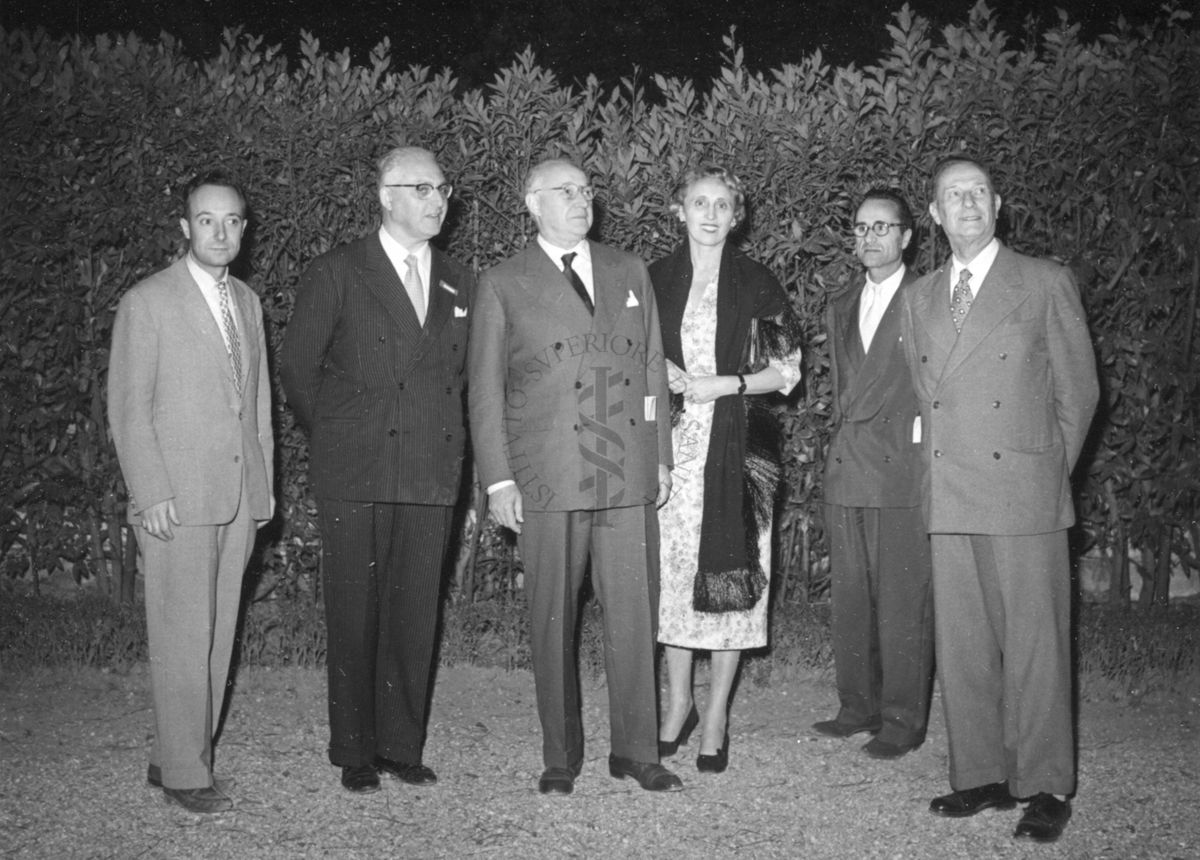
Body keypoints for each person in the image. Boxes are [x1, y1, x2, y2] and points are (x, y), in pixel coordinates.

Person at [900, 156, 1098, 843]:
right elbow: (921, 394)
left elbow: (1080, 394)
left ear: (998, 204)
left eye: (979, 193)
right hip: (951, 492)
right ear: (934, 215)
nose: (968, 205)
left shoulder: (1043, 282)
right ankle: (981, 773)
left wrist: (1043, 473)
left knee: (1037, 644)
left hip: (1023, 493)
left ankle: (1045, 784)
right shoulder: (920, 294)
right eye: (954, 196)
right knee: (965, 644)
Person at [468, 157, 681, 795]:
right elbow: (484, 390)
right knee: (551, 616)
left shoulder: (629, 270)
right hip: (548, 477)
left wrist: (661, 455)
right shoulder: (503, 282)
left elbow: (649, 368)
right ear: (532, 203)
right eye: (565, 191)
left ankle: (638, 751)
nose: (581, 199)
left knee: (635, 614)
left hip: (626, 472)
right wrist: (499, 479)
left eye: (586, 190)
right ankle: (560, 754)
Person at [279, 147, 474, 794]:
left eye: (443, 188)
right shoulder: (338, 271)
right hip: (356, 467)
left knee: (415, 611)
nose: (437, 199)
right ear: (386, 196)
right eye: (422, 188)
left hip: (429, 469)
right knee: (355, 611)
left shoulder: (459, 280)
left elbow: (463, 379)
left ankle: (399, 744)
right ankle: (355, 749)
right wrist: (341, 434)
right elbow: (299, 373)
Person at [107, 170, 275, 814]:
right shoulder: (147, 302)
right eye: (207, 220)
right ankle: (184, 771)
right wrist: (150, 491)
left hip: (236, 495)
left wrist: (261, 492)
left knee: (216, 630)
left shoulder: (250, 303)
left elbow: (254, 405)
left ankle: (177, 752)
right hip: (176, 497)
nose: (222, 232)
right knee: (182, 632)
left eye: (233, 220)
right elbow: (128, 407)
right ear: (185, 228)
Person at [649, 166, 802, 774]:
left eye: (722, 205)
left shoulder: (758, 282)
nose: (710, 214)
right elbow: (630, 354)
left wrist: (726, 383)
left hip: (741, 455)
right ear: (678, 209)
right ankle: (678, 702)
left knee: (732, 583)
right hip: (672, 453)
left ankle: (715, 716)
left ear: (737, 216)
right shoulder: (654, 279)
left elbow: (786, 371)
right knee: (674, 581)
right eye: (698, 203)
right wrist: (659, 370)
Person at [814, 189, 934, 759]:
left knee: (903, 600)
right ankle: (856, 707)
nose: (870, 238)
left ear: (907, 237)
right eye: (861, 228)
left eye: (882, 228)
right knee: (852, 597)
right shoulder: (841, 303)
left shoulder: (928, 297)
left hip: (901, 470)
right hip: (848, 468)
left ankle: (903, 720)